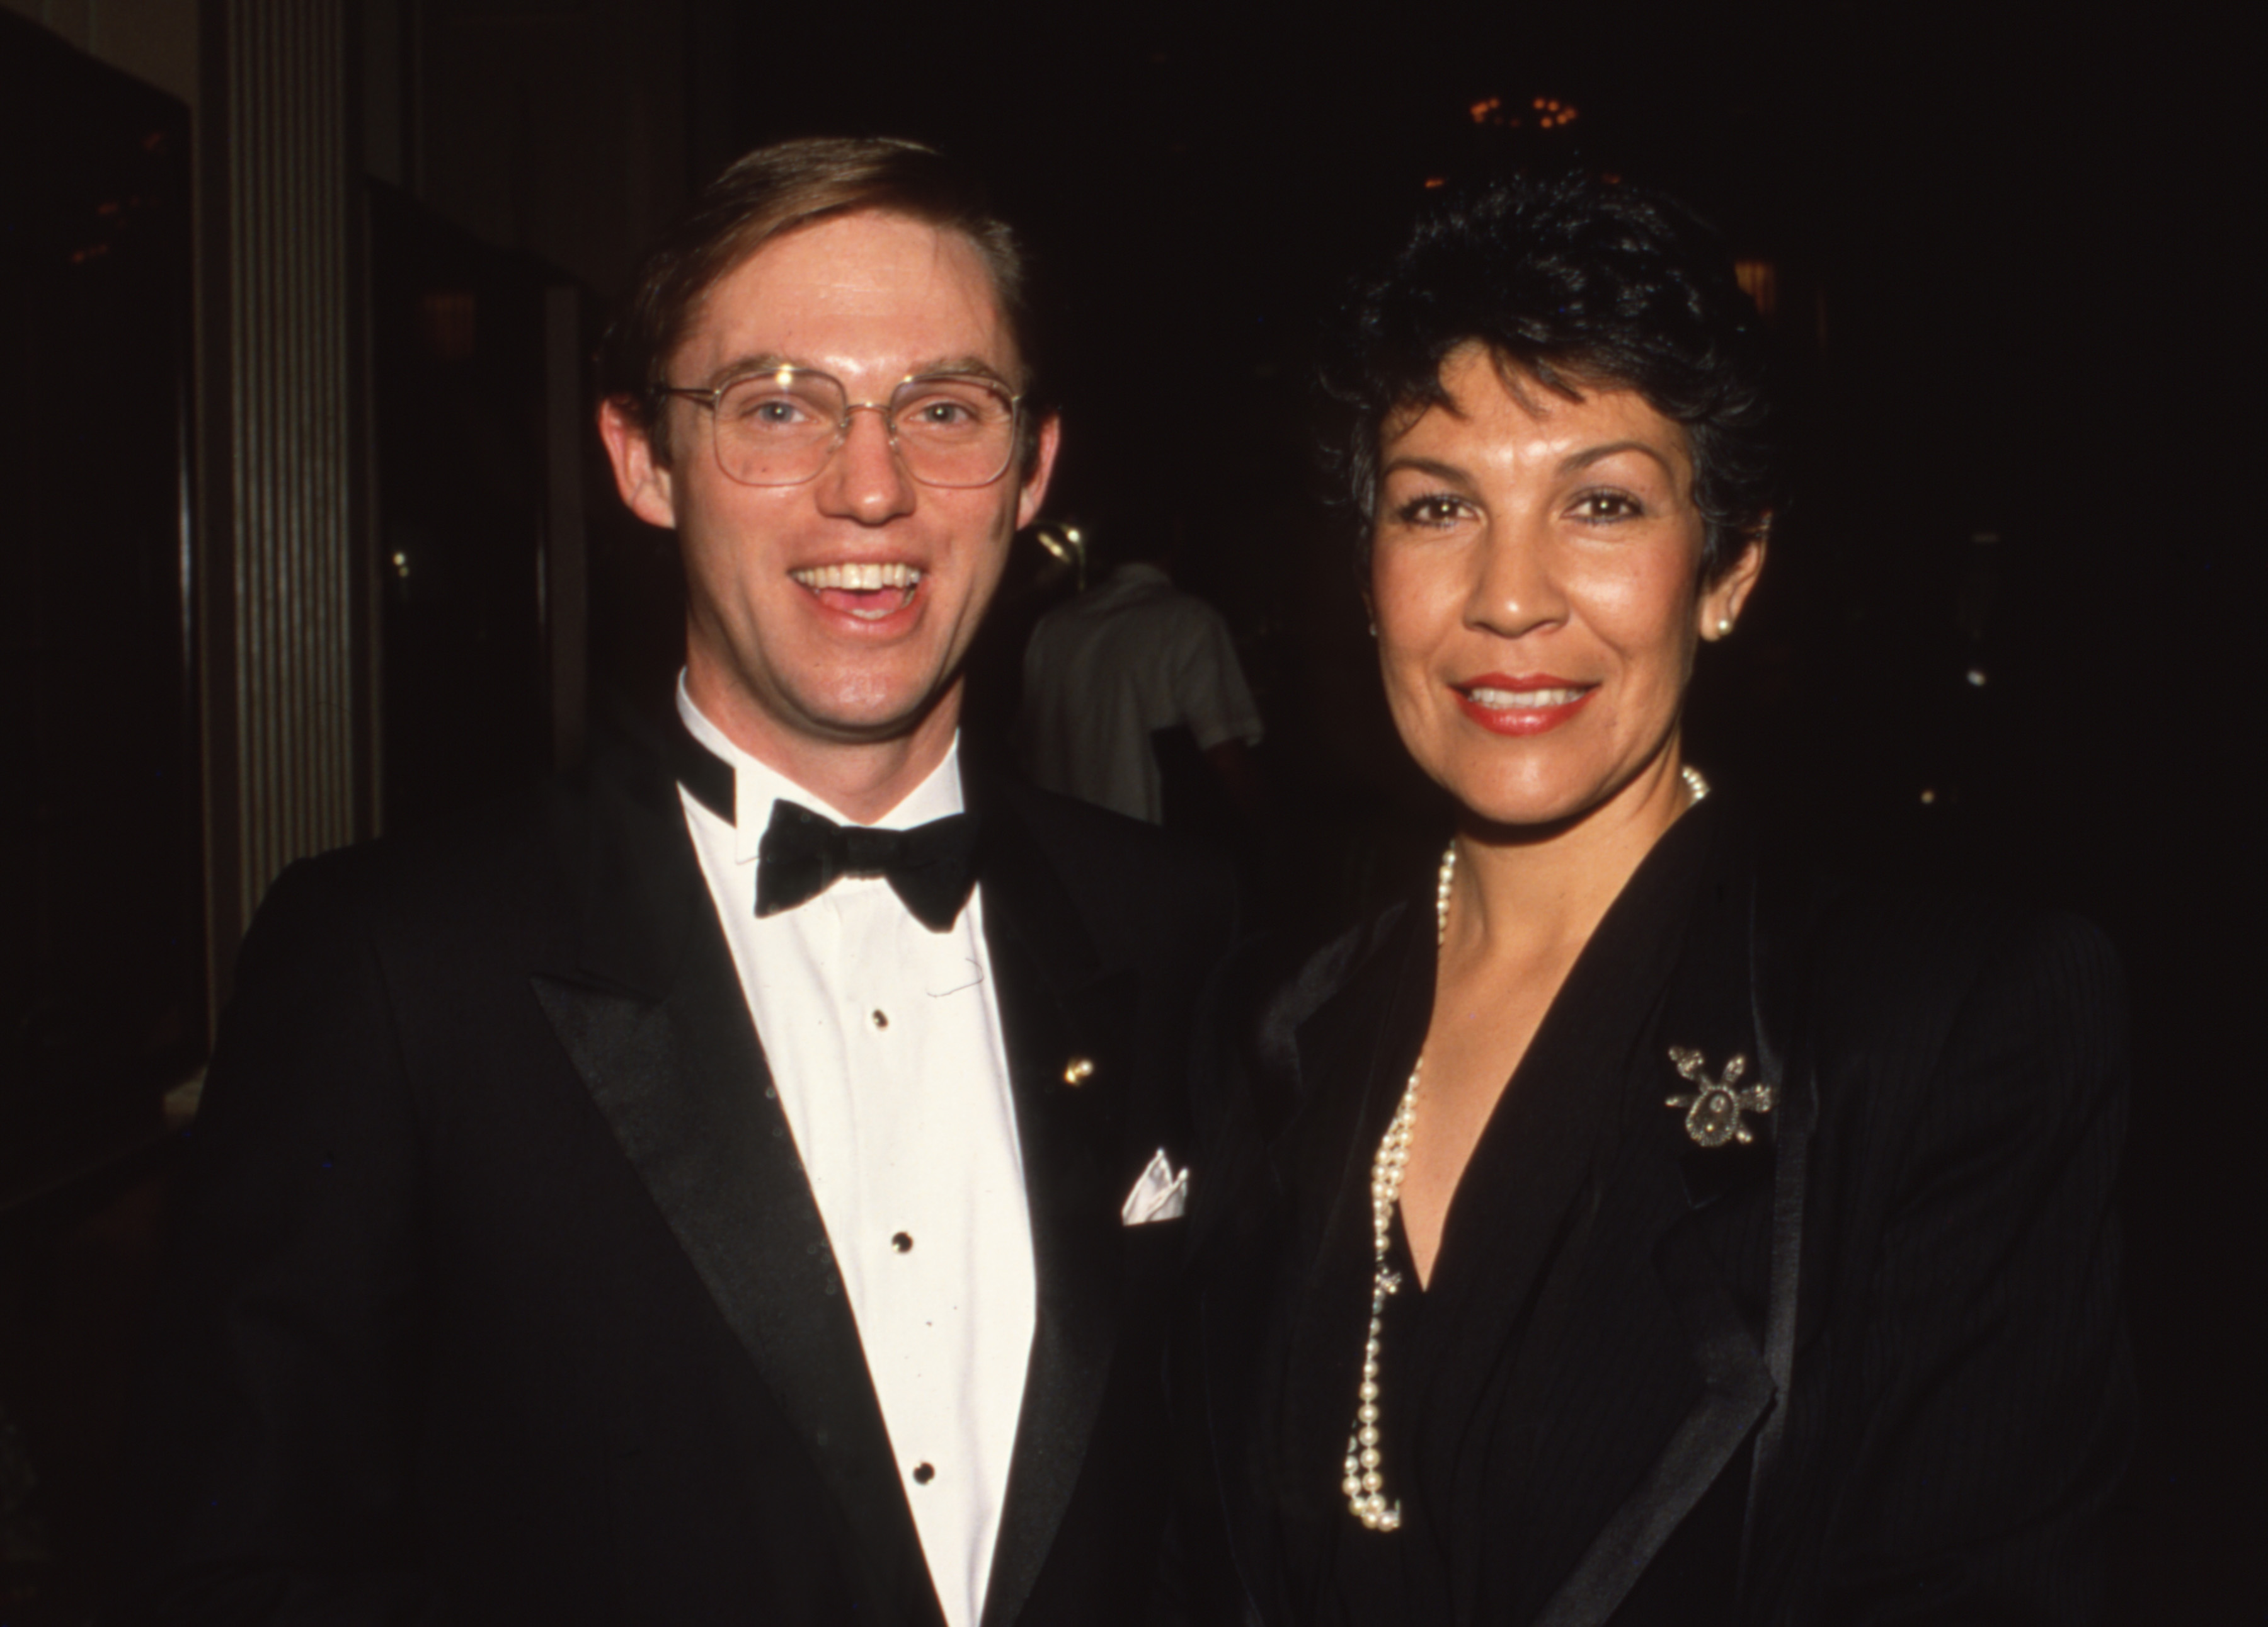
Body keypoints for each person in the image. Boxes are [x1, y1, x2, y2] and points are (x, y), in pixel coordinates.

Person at [116, 138, 1239, 1627]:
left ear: (1029, 473)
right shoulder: (394, 964)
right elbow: (243, 1562)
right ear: (643, 462)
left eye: (945, 409)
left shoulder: (1179, 929)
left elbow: (1215, 1511)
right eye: (776, 408)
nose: (870, 490)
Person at [1169, 174, 2132, 1626]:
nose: (1510, 595)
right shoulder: (1270, 1035)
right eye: (1439, 506)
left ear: (1728, 570)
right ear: (1369, 575)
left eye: (1602, 504)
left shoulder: (1940, 1031)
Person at [1016, 513, 1264, 832]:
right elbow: (1226, 758)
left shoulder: (1052, 628)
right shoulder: (1188, 621)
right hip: (1145, 859)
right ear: (1176, 534)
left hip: (1058, 855)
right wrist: (1272, 832)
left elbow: (1026, 750)